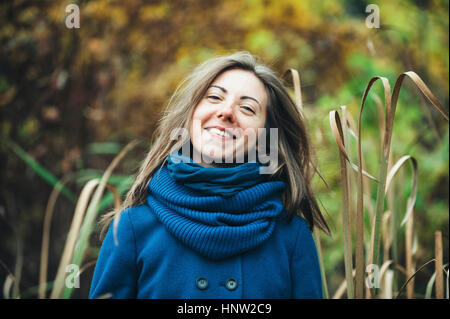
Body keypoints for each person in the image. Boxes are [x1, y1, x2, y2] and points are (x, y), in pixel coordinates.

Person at [89, 51, 330, 299]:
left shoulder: (292, 237)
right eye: (214, 97)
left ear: (264, 139)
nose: (226, 111)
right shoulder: (132, 228)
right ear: (191, 115)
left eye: (247, 108)